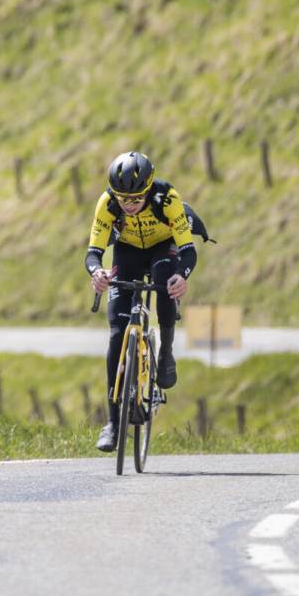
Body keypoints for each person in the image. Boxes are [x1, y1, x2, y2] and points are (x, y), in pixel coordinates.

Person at [85, 150, 198, 453]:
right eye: (124, 199)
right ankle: (112, 422)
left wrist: (182, 276)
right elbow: (94, 251)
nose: (130, 205)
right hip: (127, 252)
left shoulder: (167, 198)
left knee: (164, 286)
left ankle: (166, 355)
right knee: (115, 331)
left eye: (136, 199)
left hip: (163, 248)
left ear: (148, 190)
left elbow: (188, 250)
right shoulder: (108, 203)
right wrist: (97, 272)